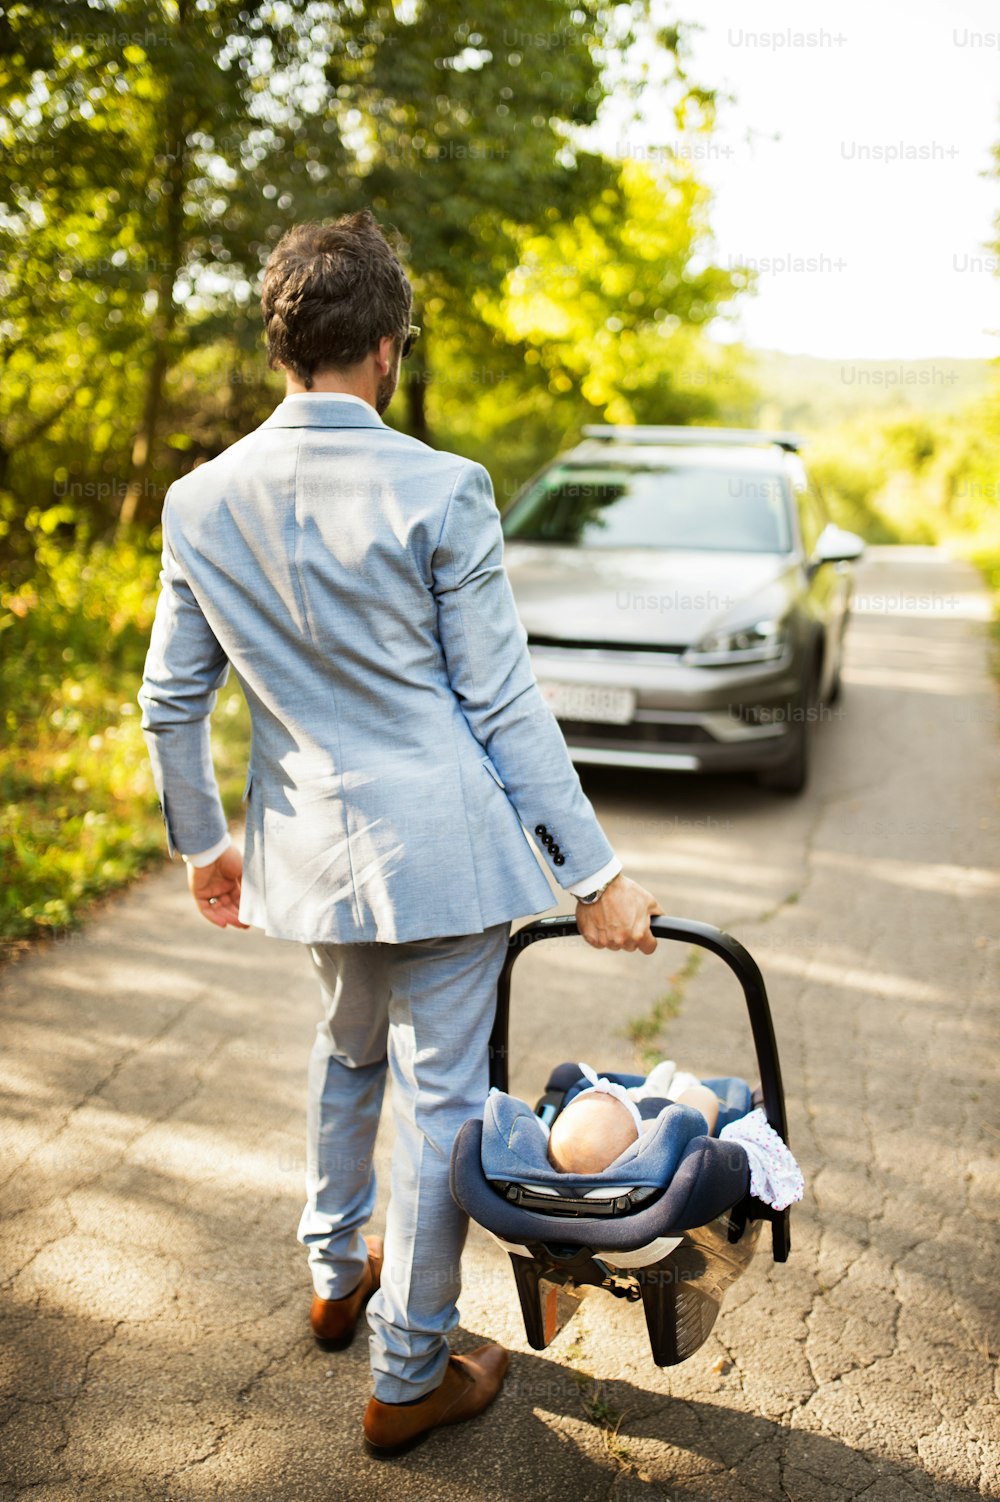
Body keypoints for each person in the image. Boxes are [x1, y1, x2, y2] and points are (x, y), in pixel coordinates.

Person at [137, 209, 663, 1458]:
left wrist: (206, 843)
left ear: (282, 345)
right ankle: (408, 1370)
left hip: (308, 854)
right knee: (440, 1106)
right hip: (442, 854)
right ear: (384, 345)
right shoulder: (443, 485)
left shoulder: (200, 499)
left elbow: (170, 697)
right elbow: (499, 699)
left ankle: (333, 1272)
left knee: (344, 1046)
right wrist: (594, 873)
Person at [541, 1062, 804, 1213]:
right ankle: (665, 1087)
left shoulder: (567, 1168)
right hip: (664, 1110)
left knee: (631, 1098)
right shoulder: (654, 1142)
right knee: (698, 1097)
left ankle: (644, 1091)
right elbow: (697, 1107)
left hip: (637, 1113)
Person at [546, 1064, 721, 1174]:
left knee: (619, 1104)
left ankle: (645, 1092)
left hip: (640, 1110)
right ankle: (678, 1087)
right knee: (700, 1097)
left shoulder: (567, 1163)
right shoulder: (654, 1137)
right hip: (669, 1108)